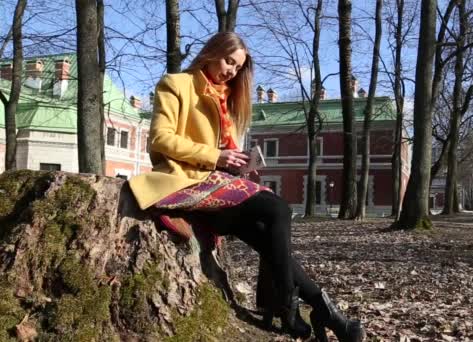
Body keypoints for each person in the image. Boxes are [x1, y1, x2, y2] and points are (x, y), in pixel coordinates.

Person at [128, 31, 364, 341]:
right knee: (278, 208)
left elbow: (225, 152)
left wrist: (237, 163)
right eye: (229, 61)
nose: (231, 71)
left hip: (213, 185)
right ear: (212, 51)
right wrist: (216, 155)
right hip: (182, 182)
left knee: (267, 237)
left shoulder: (227, 97)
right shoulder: (177, 84)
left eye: (237, 67)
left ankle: (320, 309)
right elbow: (160, 139)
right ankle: (290, 306)